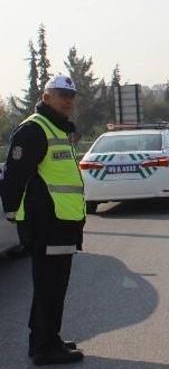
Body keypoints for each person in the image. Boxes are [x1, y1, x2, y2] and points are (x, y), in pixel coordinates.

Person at [0, 75, 86, 365]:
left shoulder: (56, 129)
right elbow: (14, 175)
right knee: (49, 285)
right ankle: (44, 348)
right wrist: (13, 214)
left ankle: (48, 338)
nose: (69, 100)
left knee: (54, 285)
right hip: (48, 222)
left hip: (62, 221)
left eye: (72, 95)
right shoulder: (34, 130)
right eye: (62, 94)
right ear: (46, 97)